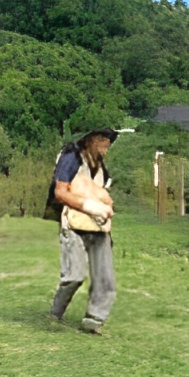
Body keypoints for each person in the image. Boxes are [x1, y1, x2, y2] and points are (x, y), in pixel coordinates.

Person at [46, 129, 118, 334]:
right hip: (74, 223)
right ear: (90, 139)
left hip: (98, 227)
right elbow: (60, 192)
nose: (108, 143)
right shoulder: (71, 157)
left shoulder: (101, 167)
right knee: (74, 275)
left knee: (105, 278)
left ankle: (93, 321)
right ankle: (55, 313)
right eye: (104, 138)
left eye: (109, 140)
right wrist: (89, 206)